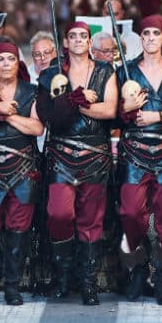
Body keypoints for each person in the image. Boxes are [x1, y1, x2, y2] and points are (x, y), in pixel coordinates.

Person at [36, 20, 117, 305]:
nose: (79, 40)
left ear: (89, 42)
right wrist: (77, 99)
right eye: (73, 36)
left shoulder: (106, 71)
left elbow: (109, 110)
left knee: (90, 222)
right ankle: (63, 276)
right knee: (58, 214)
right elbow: (46, 112)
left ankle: (89, 282)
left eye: (84, 35)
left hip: (95, 154)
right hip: (60, 154)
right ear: (66, 43)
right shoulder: (50, 74)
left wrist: (75, 103)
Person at [115, 15, 162, 305]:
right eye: (146, 33)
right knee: (131, 214)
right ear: (140, 39)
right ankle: (138, 271)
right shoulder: (125, 71)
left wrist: (158, 116)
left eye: (156, 33)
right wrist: (126, 108)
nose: (151, 38)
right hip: (133, 153)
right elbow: (114, 113)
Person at [0, 40, 43, 306]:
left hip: (24, 168)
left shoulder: (31, 91)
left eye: (10, 59)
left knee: (19, 227)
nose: (5, 64)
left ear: (18, 63)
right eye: (0, 59)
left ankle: (11, 285)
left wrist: (7, 115)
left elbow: (36, 128)